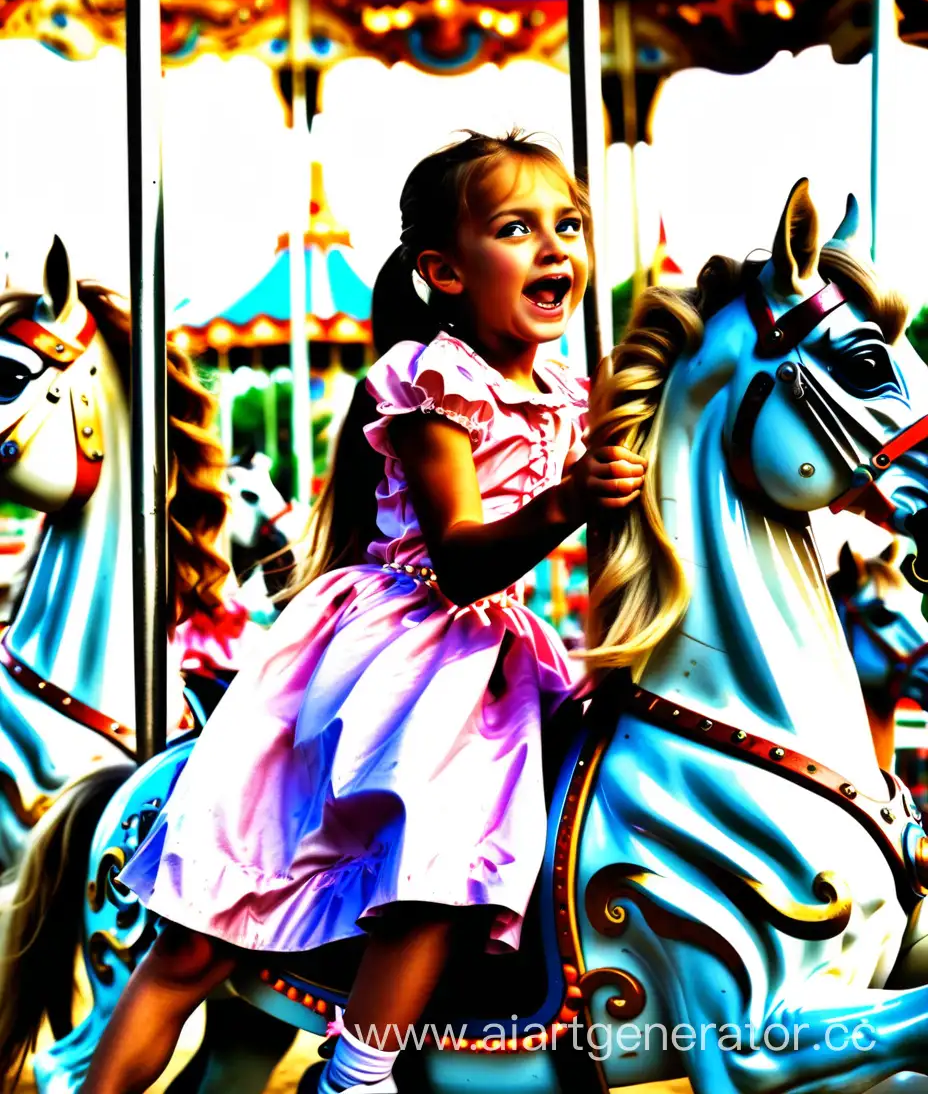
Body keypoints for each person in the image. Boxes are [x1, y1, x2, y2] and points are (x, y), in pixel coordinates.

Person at [81, 130, 647, 1094]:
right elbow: (463, 557)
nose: (556, 249)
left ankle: (398, 1052)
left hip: (502, 660)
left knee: (542, 831)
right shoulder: (435, 384)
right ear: (445, 271)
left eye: (569, 226)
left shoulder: (564, 392)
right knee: (205, 948)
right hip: (411, 643)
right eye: (518, 229)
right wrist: (564, 504)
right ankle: (356, 1072)